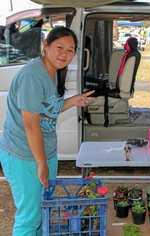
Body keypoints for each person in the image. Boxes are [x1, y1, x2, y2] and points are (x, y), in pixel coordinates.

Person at [0, 26, 95, 236]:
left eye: (70, 50)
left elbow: (48, 107)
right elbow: (31, 124)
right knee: (30, 217)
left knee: (43, 209)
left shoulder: (52, 72)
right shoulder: (32, 76)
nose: (64, 54)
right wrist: (41, 163)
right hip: (24, 155)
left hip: (43, 152)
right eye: (59, 47)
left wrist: (74, 101)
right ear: (46, 46)